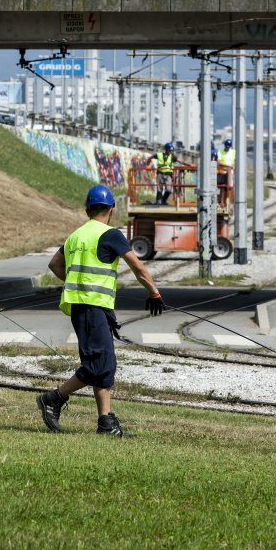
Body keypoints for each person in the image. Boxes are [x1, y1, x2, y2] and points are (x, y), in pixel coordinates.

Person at [36, 184, 165, 437]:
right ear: (111, 209)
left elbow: (54, 264)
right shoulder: (111, 234)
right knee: (98, 366)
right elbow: (138, 267)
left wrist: (76, 281)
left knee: (105, 363)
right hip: (93, 307)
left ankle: (105, 421)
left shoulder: (76, 236)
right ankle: (53, 398)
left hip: (83, 306)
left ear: (87, 209)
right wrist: (154, 293)